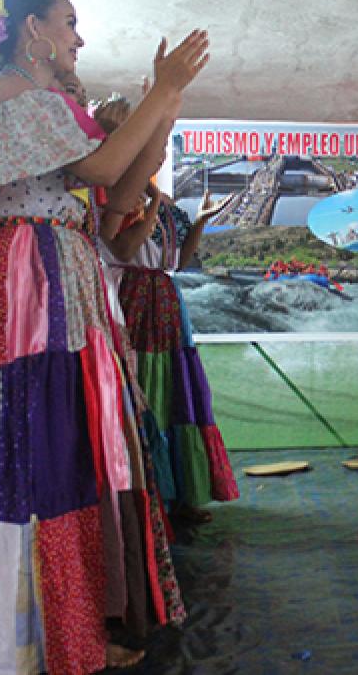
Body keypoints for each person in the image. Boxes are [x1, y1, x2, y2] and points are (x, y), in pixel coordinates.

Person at [0, 0, 209, 673]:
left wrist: (161, 114)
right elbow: (106, 164)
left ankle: (67, 621)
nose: (78, 38)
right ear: (31, 32)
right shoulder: (13, 98)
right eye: (68, 22)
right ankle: (37, 631)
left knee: (74, 444)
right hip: (29, 286)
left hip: (61, 275)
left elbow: (121, 197)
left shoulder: (41, 104)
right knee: (39, 446)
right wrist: (161, 94)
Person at [99, 180, 240, 524]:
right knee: (142, 387)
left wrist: (201, 220)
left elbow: (179, 259)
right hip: (132, 297)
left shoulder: (160, 205)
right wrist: (154, 204)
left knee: (176, 392)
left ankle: (179, 495)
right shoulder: (117, 199)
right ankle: (148, 497)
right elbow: (123, 248)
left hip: (163, 298)